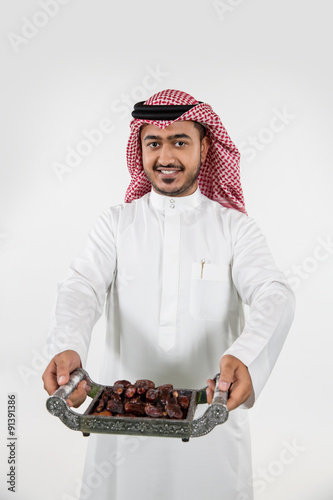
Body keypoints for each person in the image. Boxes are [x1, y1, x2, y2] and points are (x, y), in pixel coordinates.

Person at [42, 89, 295, 500]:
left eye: (180, 142)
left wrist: (244, 356)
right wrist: (68, 345)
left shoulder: (235, 229)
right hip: (119, 431)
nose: (165, 157)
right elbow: (81, 286)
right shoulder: (116, 224)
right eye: (153, 143)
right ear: (139, 148)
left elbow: (274, 292)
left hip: (210, 431)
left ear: (205, 146)